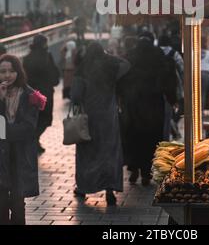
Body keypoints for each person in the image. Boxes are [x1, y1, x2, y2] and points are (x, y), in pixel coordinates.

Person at [71, 42, 130, 206]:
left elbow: (75, 96)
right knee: (109, 151)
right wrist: (109, 55)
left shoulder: (83, 68)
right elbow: (126, 64)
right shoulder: (111, 67)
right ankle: (110, 189)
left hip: (88, 117)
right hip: (108, 117)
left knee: (87, 153)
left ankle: (83, 187)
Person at [117, 34, 177, 186]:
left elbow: (120, 79)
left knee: (133, 137)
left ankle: (133, 168)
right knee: (151, 139)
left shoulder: (130, 57)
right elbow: (169, 79)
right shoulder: (159, 57)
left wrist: (120, 98)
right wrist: (173, 99)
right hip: (154, 105)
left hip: (133, 105)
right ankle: (146, 172)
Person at [0, 54, 46, 225]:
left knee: (18, 204)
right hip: (1, 157)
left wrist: (4, 132)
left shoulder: (30, 96)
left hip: (20, 156)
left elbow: (28, 128)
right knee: (1, 204)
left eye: (11, 71)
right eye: (2, 71)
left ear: (18, 72)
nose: (7, 75)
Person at [23, 34, 60, 154]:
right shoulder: (47, 56)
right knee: (46, 118)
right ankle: (34, 139)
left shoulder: (27, 58)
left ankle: (34, 140)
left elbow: (24, 76)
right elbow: (54, 73)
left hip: (31, 93)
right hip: (46, 93)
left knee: (35, 119)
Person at [158, 34, 184, 140]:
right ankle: (172, 130)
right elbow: (182, 69)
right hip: (173, 85)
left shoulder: (155, 52)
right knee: (174, 109)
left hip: (158, 86)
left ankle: (170, 130)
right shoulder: (174, 53)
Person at [201, 36, 209, 110]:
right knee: (203, 93)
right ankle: (201, 110)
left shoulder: (194, 52)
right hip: (206, 74)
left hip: (195, 73)